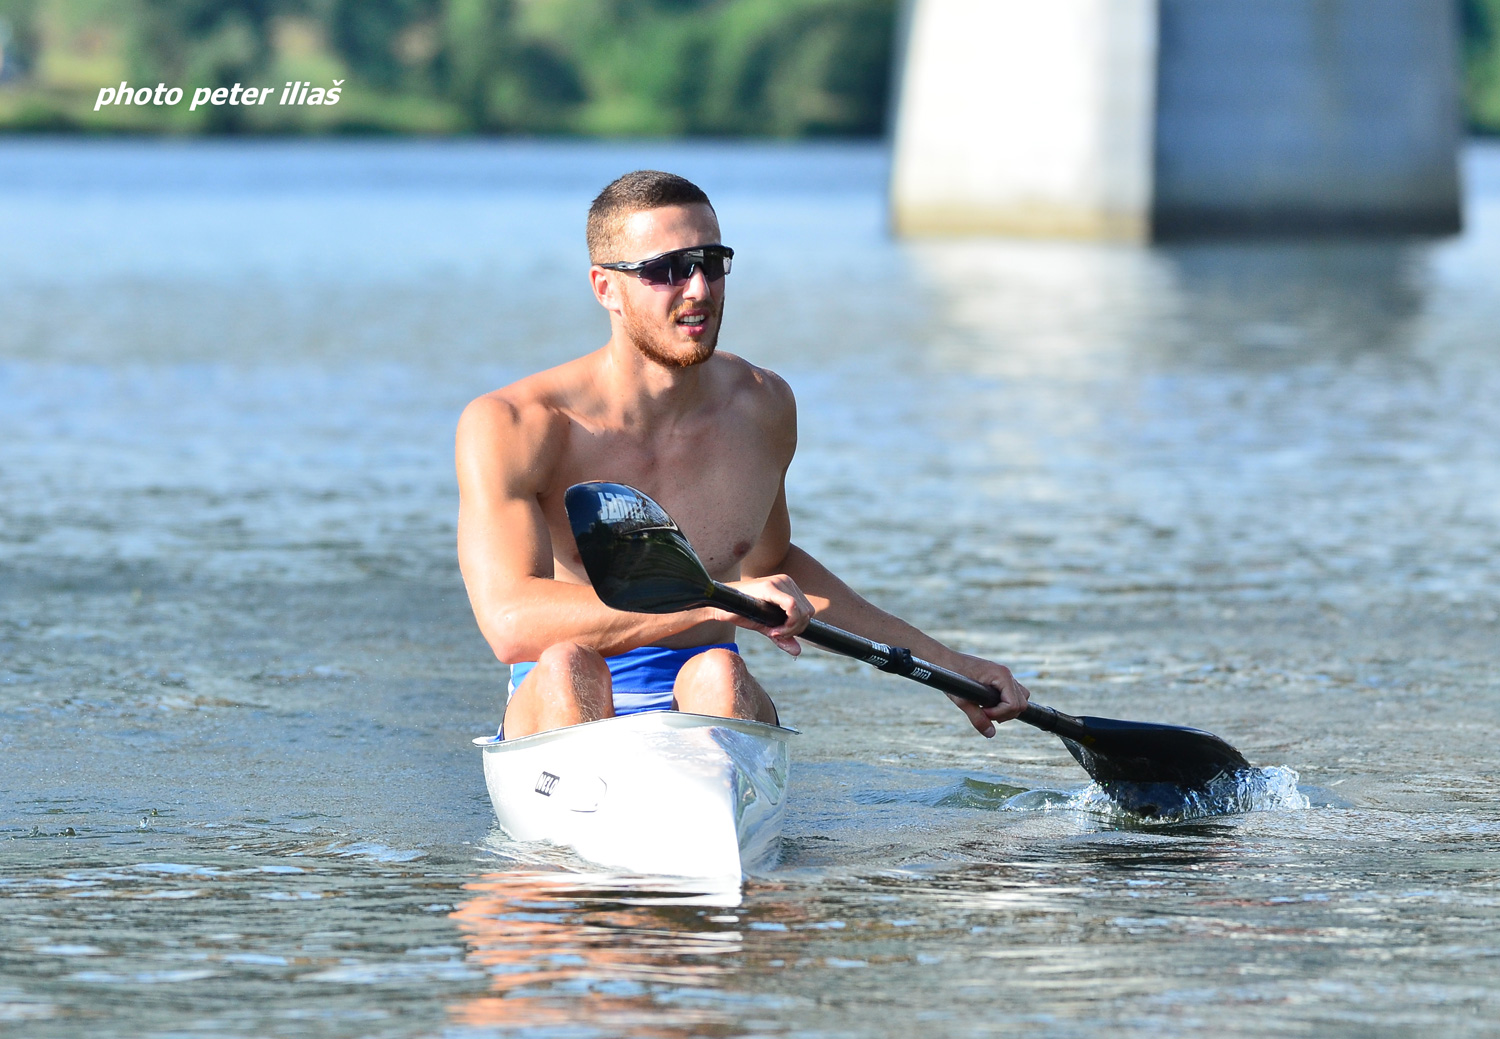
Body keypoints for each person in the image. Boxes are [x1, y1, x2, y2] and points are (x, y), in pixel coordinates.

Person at [456, 170, 1031, 740]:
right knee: (566, 666)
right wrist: (716, 607)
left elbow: (773, 567)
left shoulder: (762, 407)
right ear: (606, 288)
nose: (699, 289)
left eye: (710, 261)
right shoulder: (515, 425)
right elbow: (509, 623)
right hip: (567, 696)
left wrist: (948, 666)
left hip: (705, 693)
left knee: (721, 671)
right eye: (666, 271)